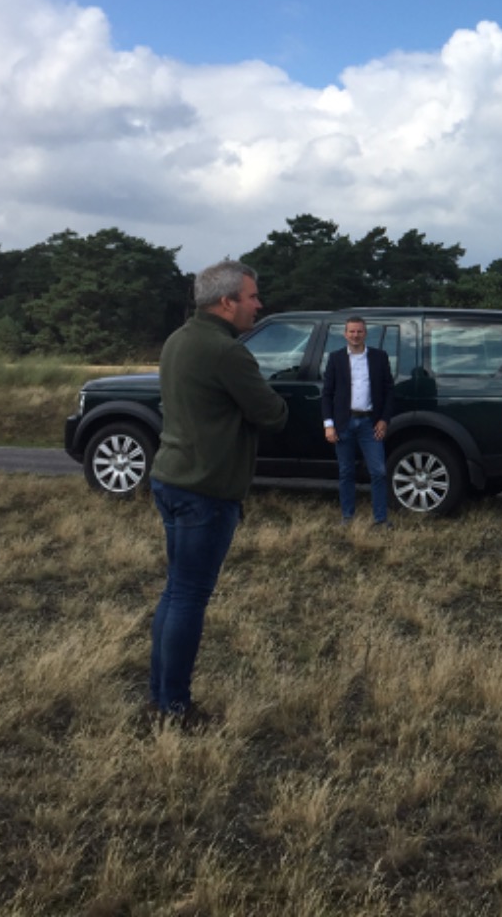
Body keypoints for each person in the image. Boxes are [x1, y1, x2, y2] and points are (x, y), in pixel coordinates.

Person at [147, 260, 288, 727]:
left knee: (175, 593)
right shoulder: (227, 352)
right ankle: (175, 708)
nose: (258, 304)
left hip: (171, 477)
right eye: (252, 296)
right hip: (204, 489)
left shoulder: (178, 340)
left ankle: (160, 696)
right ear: (226, 302)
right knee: (188, 596)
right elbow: (272, 414)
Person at [321, 316, 395, 526]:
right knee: (346, 472)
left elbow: (389, 391)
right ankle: (347, 517)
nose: (355, 335)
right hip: (343, 423)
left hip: (370, 424)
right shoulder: (336, 359)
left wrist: (384, 420)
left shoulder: (379, 357)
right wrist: (329, 425)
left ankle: (380, 520)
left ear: (365, 333)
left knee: (378, 471)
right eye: (352, 331)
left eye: (359, 331)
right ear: (345, 334)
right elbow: (327, 394)